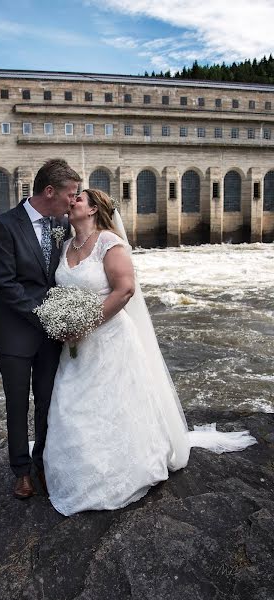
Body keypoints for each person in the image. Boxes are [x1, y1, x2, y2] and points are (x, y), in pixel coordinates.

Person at [43, 189, 257, 516]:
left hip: (109, 339)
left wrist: (86, 323)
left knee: (113, 405)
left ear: (94, 209)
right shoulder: (67, 245)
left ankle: (121, 470)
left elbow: (125, 289)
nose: (72, 203)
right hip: (75, 345)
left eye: (79, 200)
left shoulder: (108, 243)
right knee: (72, 406)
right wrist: (63, 320)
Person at [0, 158, 81, 500]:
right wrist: (47, 315)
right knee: (17, 403)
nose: (74, 200)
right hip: (14, 333)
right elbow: (6, 286)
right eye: (71, 194)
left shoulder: (63, 226)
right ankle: (20, 471)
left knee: (46, 400)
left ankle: (42, 462)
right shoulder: (3, 226)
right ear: (50, 191)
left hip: (50, 335)